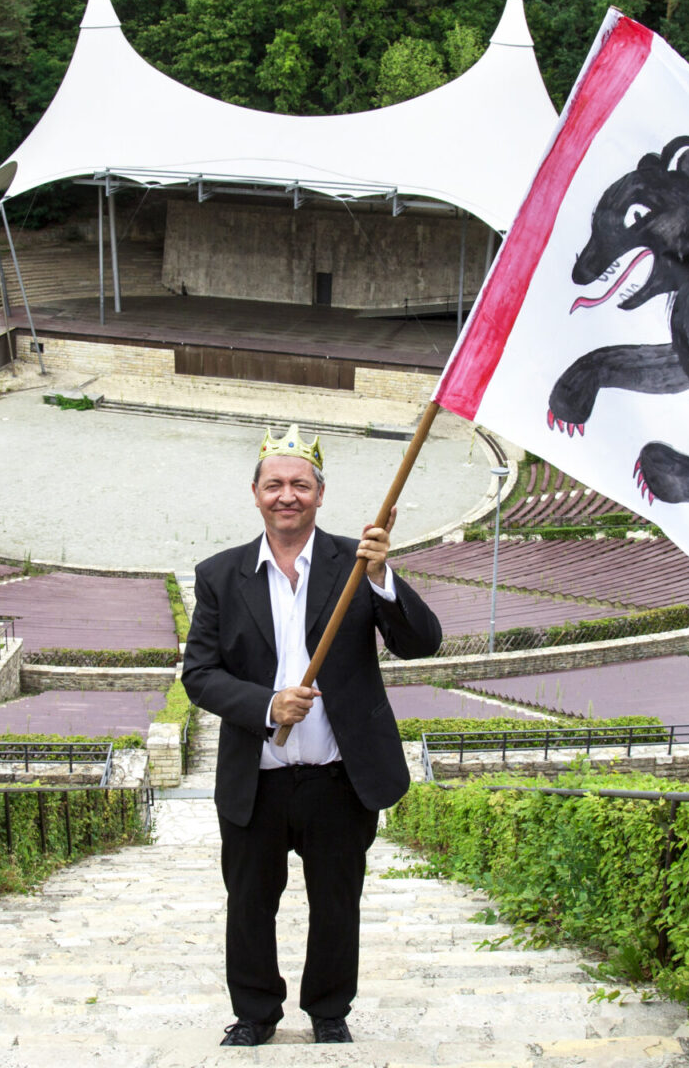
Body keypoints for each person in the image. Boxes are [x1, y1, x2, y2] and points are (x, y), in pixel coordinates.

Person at [181, 425, 443, 1047]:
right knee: (248, 904)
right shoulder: (220, 576)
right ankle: (254, 1014)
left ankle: (330, 1012)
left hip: (336, 776)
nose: (287, 495)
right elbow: (199, 674)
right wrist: (267, 704)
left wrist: (383, 579)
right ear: (255, 494)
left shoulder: (357, 564)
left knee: (336, 903)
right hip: (259, 776)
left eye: (300, 483)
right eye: (275, 484)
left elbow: (421, 643)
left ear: (321, 494)